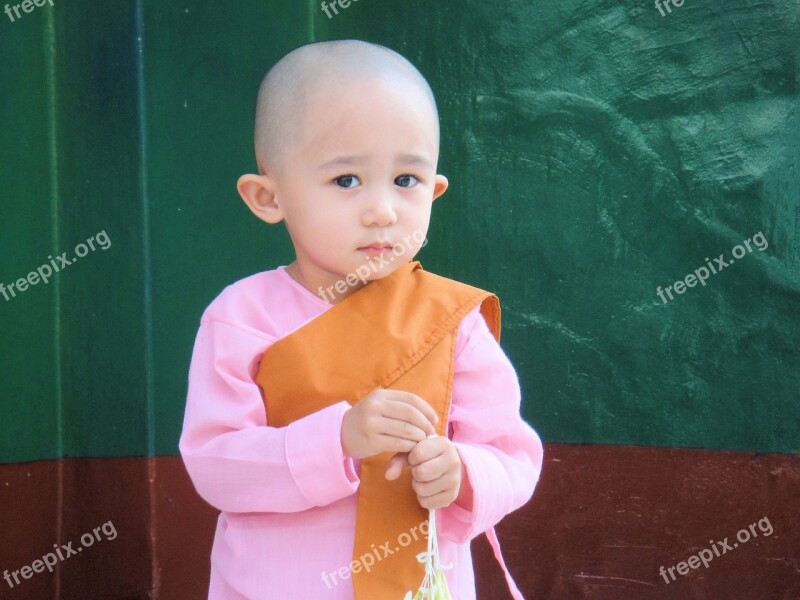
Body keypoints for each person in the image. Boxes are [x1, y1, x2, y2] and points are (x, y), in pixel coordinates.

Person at [179, 39, 543, 600]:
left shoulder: (451, 319)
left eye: (406, 180)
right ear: (268, 198)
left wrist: (463, 472)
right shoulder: (240, 318)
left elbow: (512, 454)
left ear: (435, 191)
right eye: (346, 180)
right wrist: (338, 439)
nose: (383, 211)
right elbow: (214, 465)